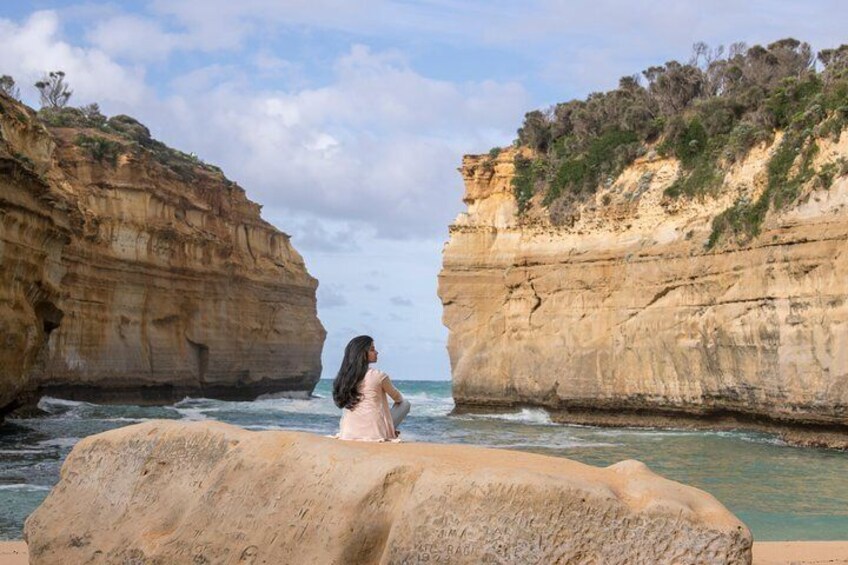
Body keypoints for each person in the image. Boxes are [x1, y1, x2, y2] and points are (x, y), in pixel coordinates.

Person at [333, 335, 410, 441]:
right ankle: (389, 430)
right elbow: (398, 398)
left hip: (347, 432)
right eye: (372, 349)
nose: (377, 352)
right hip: (375, 433)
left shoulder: (345, 377)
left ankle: (385, 428)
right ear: (362, 354)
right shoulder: (379, 376)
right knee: (405, 404)